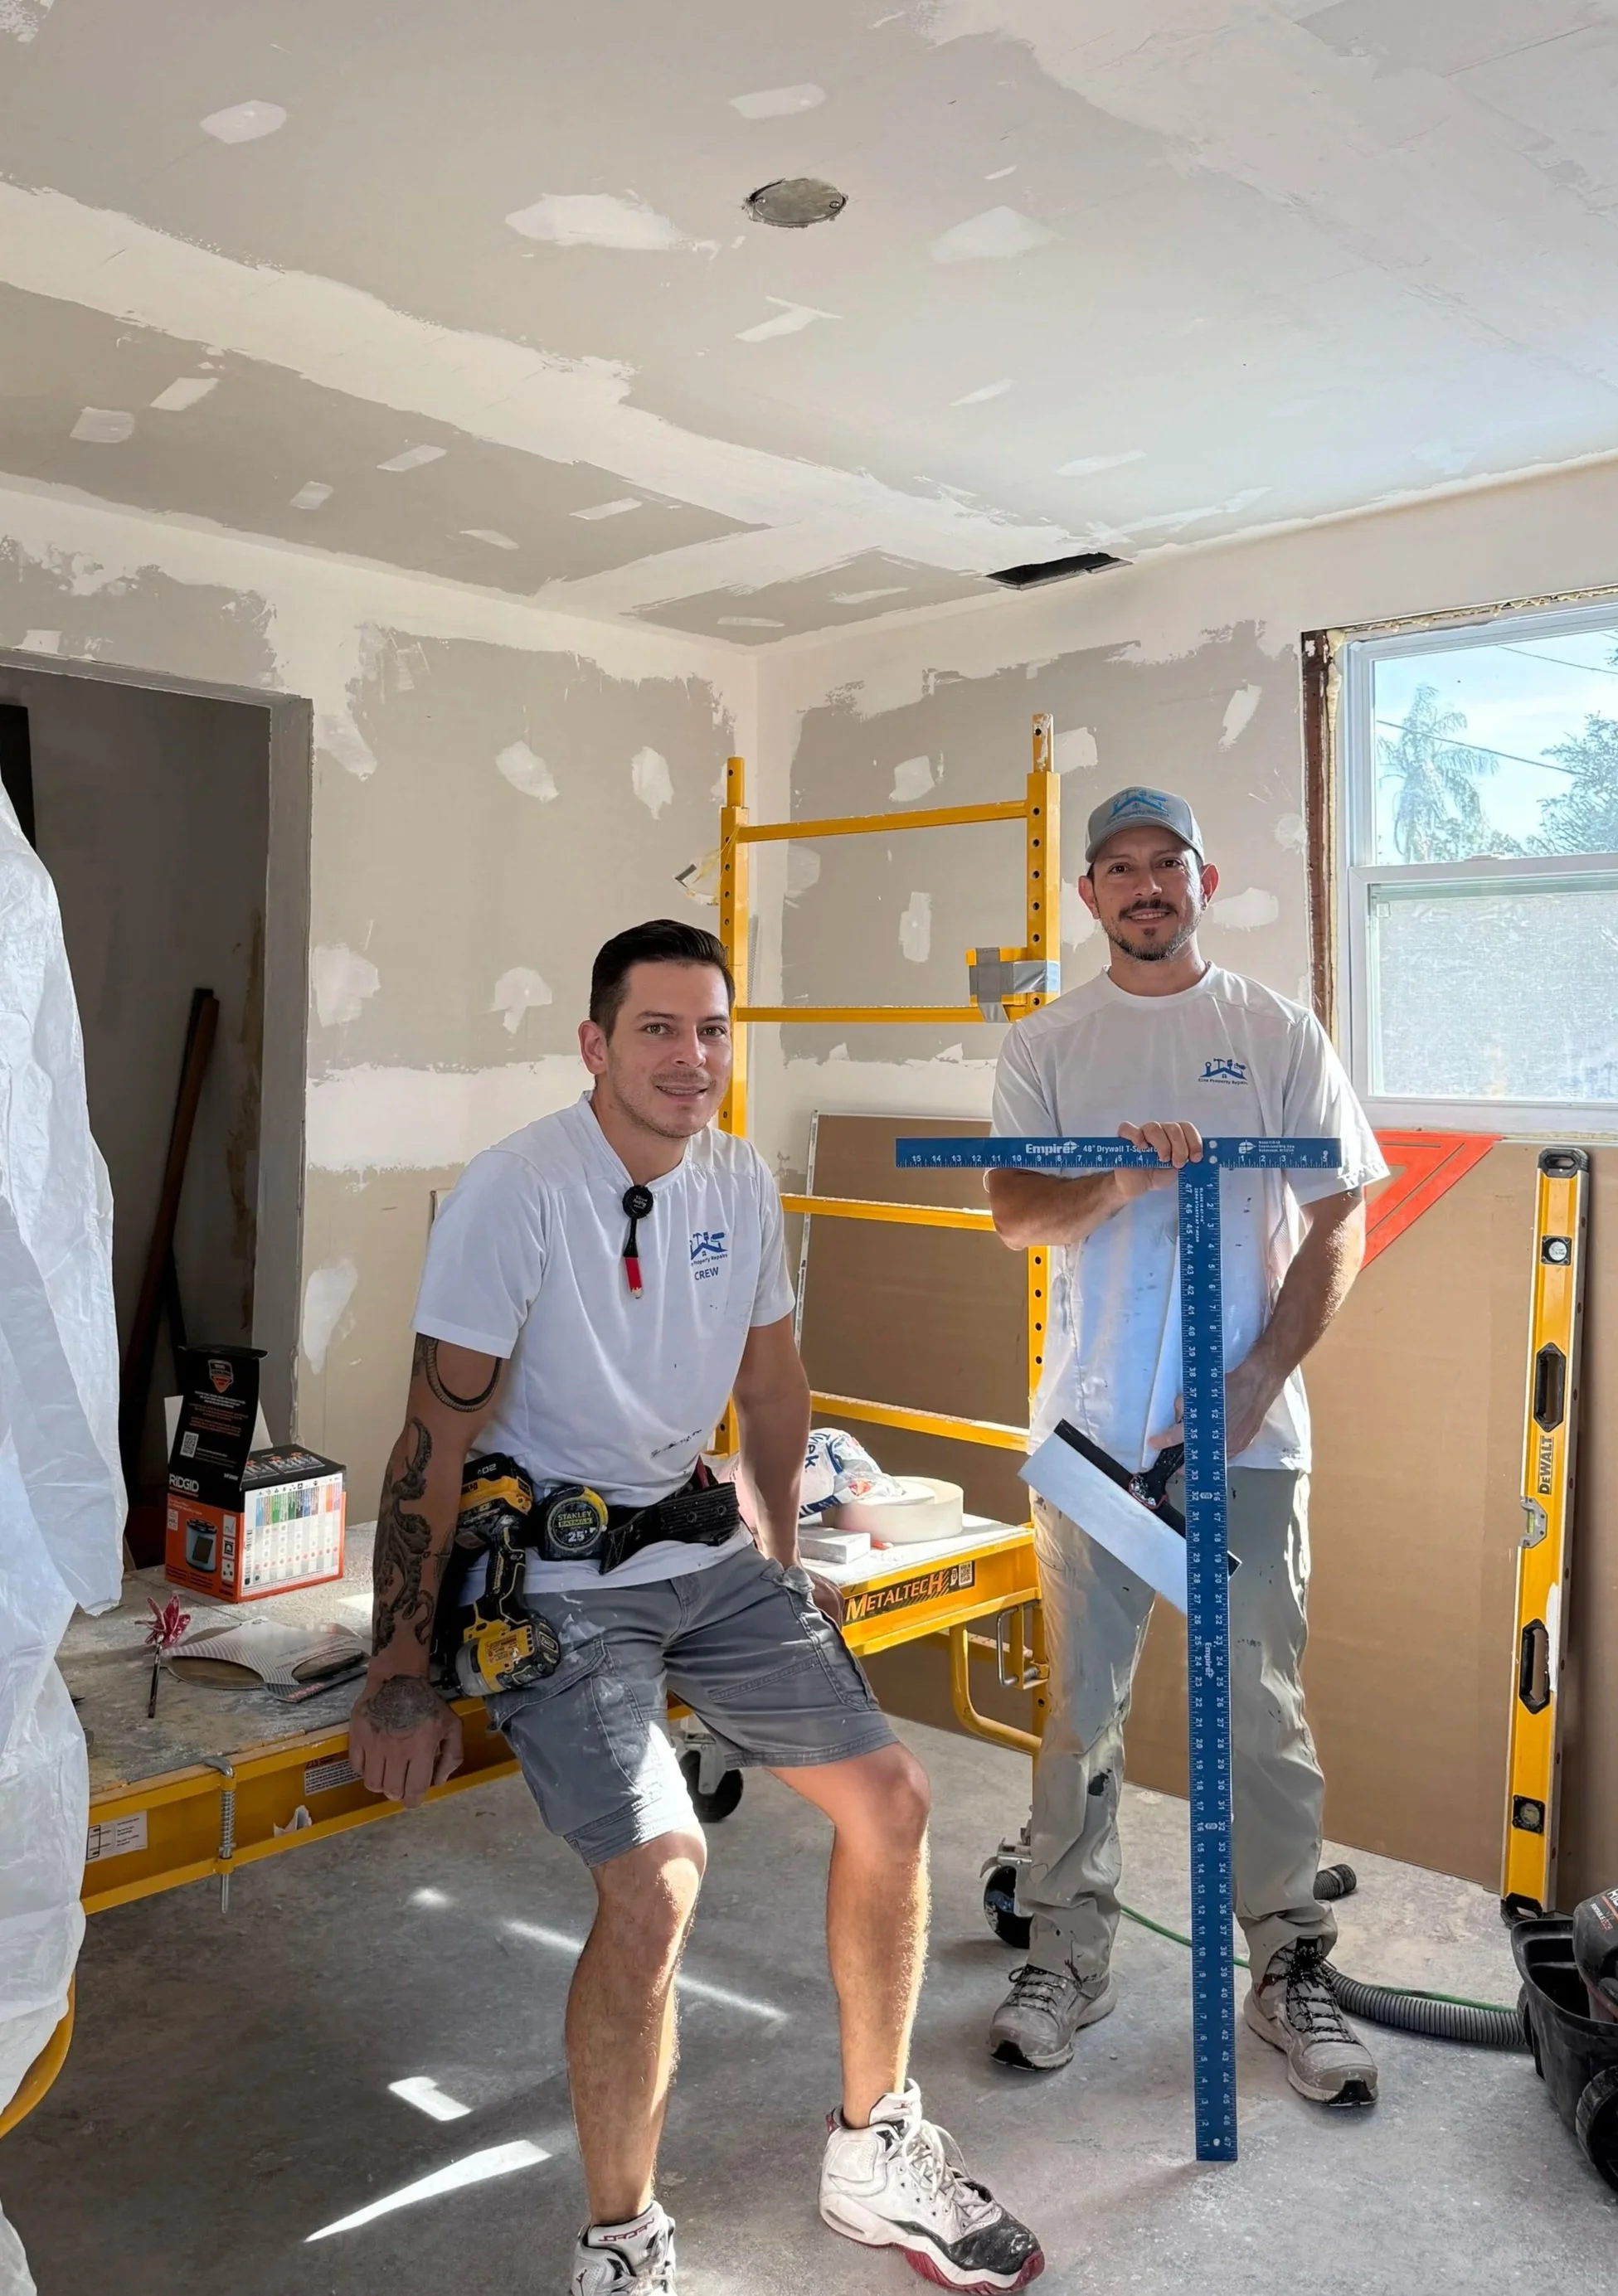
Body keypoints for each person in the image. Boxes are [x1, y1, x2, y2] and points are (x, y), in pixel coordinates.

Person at [347, 919, 1042, 2296]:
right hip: (554, 1580)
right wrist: (400, 1670)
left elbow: (774, 1389)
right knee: (663, 1878)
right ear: (596, 1045)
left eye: (712, 1030)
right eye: (657, 1029)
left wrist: (777, 1553)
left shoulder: (738, 1180)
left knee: (894, 1798)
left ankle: (873, 2151)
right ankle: (622, 2240)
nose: (691, 1057)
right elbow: (431, 1441)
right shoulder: (517, 1193)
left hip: (704, 1548)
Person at [984, 789, 1388, 2109]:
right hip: (1090, 1435)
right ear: (1090, 895)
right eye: (1121, 869)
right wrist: (1119, 1179)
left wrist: (1256, 1381)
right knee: (1079, 1714)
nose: (1147, 885)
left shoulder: (1274, 1030)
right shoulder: (1049, 1041)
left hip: (1246, 1443)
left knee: (1260, 1714)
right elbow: (1014, 1213)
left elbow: (1340, 1215)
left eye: (1169, 864)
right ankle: (1066, 1957)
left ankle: (1288, 1968)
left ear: (1205, 880)